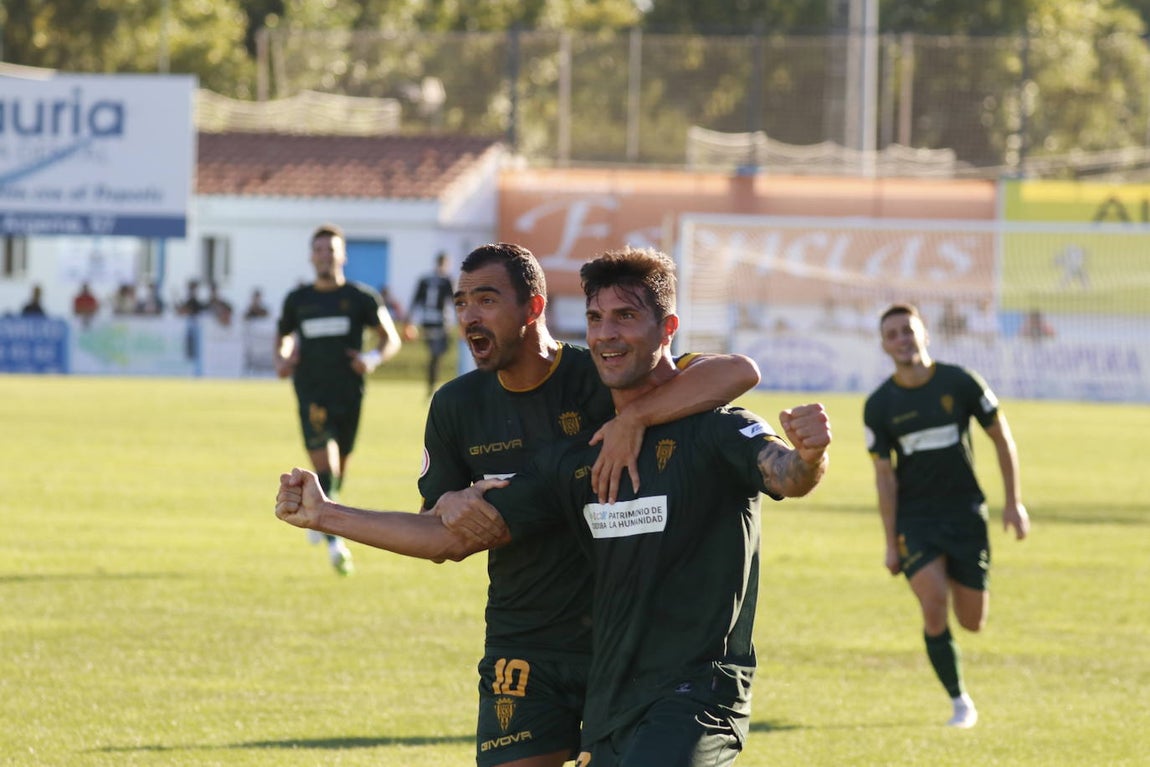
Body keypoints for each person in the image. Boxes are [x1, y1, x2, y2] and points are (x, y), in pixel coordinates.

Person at [276, 246, 832, 766]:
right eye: (461, 302)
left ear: (533, 308)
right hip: (541, 646)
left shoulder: (651, 396)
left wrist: (802, 456)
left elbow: (750, 398)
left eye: (487, 300)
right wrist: (327, 515)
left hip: (656, 666)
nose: (607, 336)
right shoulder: (541, 449)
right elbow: (450, 537)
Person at [863, 302, 1030, 729]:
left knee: (971, 622)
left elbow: (1001, 438)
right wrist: (889, 542)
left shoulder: (960, 382)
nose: (902, 339)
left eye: (907, 330)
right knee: (933, 602)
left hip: (966, 516)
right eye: (893, 334)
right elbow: (885, 477)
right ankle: (960, 702)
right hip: (916, 521)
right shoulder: (880, 405)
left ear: (924, 334)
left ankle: (956, 578)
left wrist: (1013, 502)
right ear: (884, 345)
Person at [275, 223, 402, 576]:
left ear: (342, 255)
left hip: (349, 392)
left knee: (339, 468)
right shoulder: (297, 300)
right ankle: (335, 543)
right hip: (311, 392)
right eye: (319, 250)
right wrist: (283, 359)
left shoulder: (361, 297)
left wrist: (371, 360)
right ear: (310, 256)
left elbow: (389, 338)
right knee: (326, 463)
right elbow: (283, 336)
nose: (324, 256)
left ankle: (323, 514)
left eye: (331, 250)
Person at [406, 250, 455, 395]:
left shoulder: (424, 279)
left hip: (426, 321)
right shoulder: (447, 280)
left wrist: (409, 320)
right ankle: (432, 387)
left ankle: (431, 387)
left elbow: (415, 301)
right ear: (446, 263)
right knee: (436, 356)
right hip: (440, 323)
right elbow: (454, 301)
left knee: (434, 355)